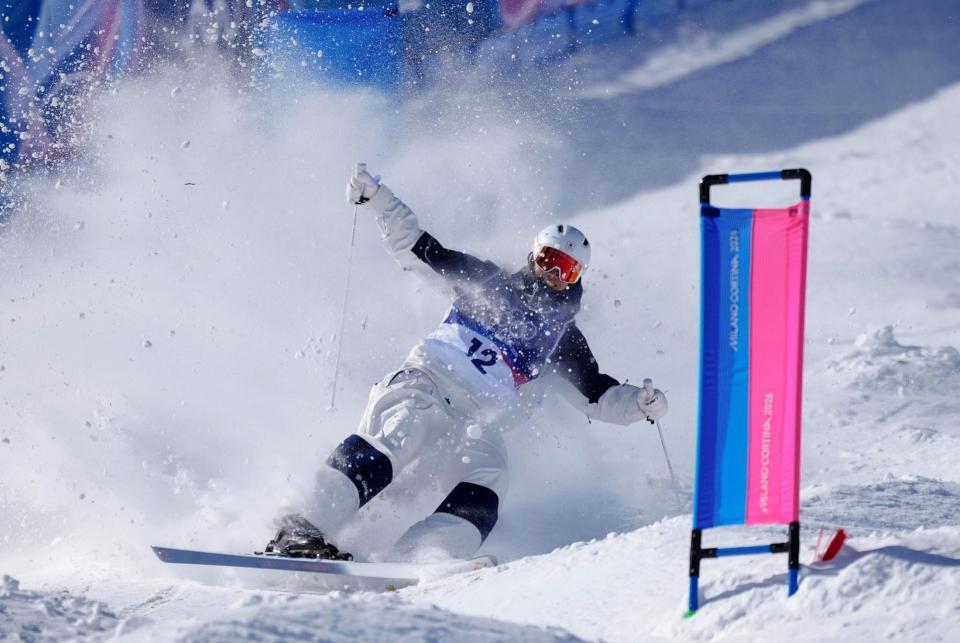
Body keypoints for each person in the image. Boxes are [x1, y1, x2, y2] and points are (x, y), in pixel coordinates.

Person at [265, 164, 668, 562]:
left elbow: (595, 394)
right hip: (427, 383)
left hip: (476, 419)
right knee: (396, 436)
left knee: (490, 479)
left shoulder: (561, 338)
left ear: (578, 277)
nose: (553, 276)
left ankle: (423, 556)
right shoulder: (488, 281)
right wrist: (379, 200)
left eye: (565, 270)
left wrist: (639, 404)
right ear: (533, 255)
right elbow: (420, 250)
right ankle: (303, 525)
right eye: (548, 261)